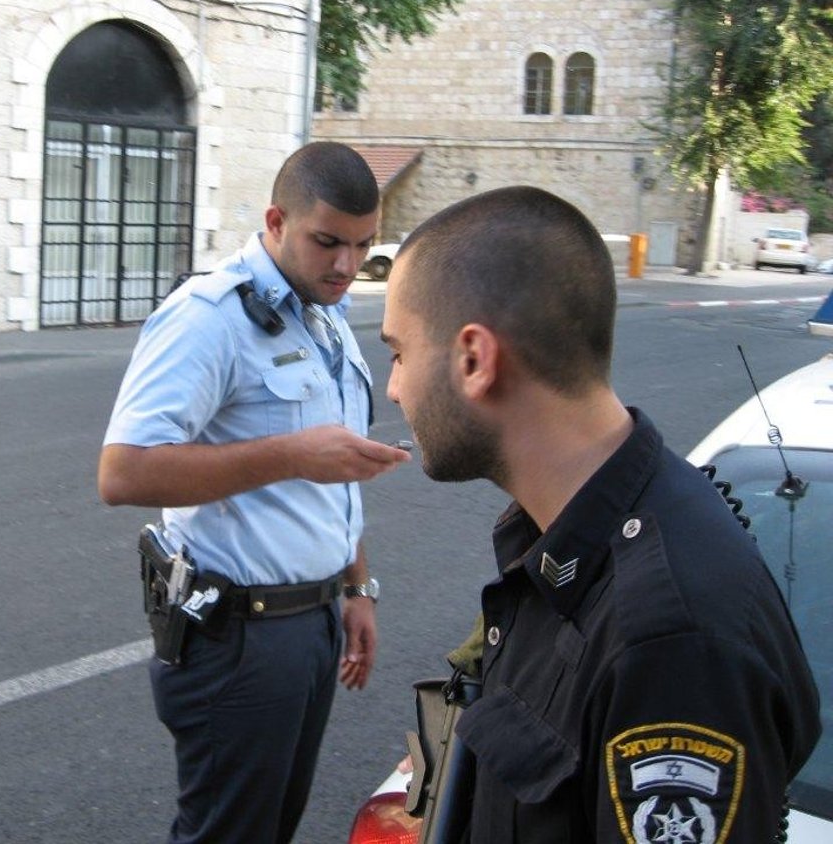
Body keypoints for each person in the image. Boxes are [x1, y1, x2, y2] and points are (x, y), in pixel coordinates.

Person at [380, 186, 821, 843]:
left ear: (474, 359)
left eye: (398, 353)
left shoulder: (672, 641)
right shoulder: (566, 543)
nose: (392, 386)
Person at [98, 141, 411, 844]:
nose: (345, 266)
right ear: (276, 220)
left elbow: (334, 479)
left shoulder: (322, 312)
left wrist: (358, 587)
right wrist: (291, 455)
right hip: (235, 636)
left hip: (312, 621)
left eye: (363, 246)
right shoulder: (208, 316)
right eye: (327, 241)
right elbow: (123, 472)